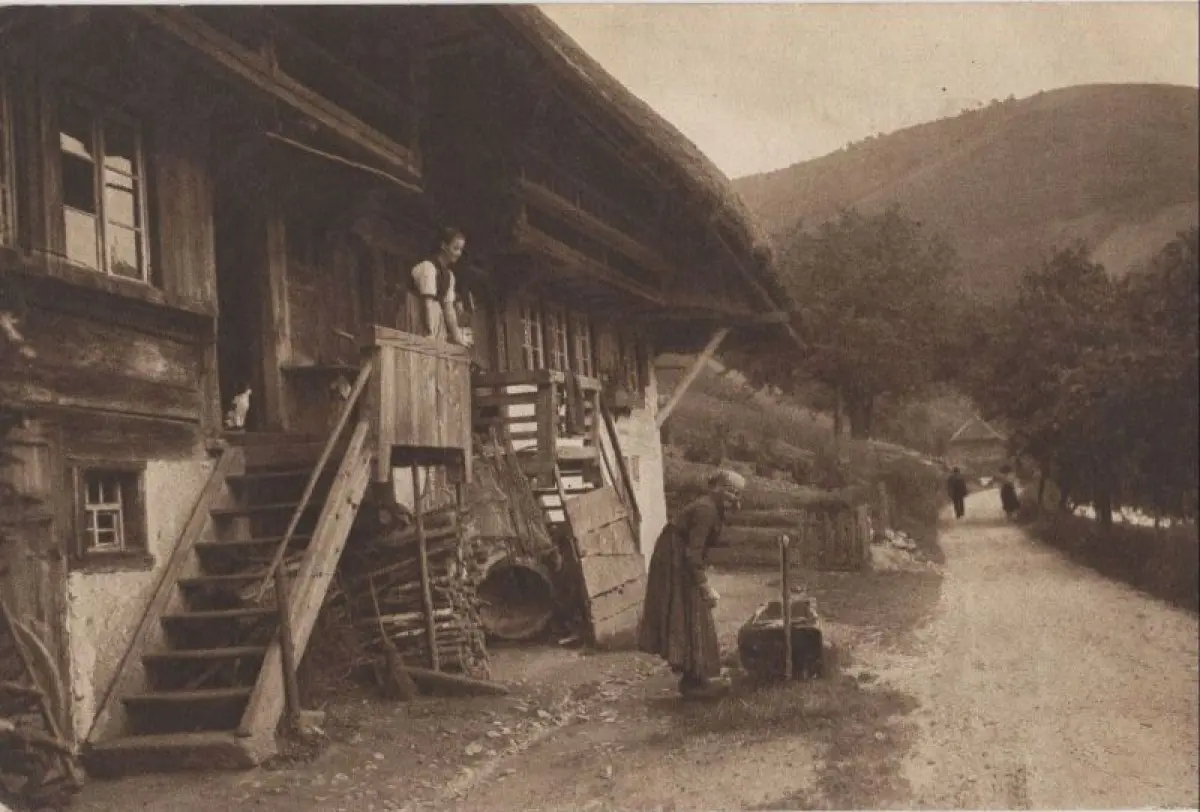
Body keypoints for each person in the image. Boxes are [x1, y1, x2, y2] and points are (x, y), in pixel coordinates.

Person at [637, 469, 746, 698]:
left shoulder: (715, 509)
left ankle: (695, 674)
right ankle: (695, 676)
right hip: (674, 558)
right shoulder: (706, 510)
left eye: (738, 494)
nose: (734, 498)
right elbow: (693, 553)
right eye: (730, 491)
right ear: (717, 488)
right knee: (690, 609)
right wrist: (704, 585)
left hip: (681, 555)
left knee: (694, 611)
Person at [411, 226, 472, 347]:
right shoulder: (428, 267)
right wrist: (429, 332)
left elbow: (449, 310)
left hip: (435, 315)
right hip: (418, 313)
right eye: (455, 248)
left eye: (461, 250)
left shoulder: (449, 276)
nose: (458, 253)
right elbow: (427, 303)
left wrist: (458, 337)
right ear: (444, 246)